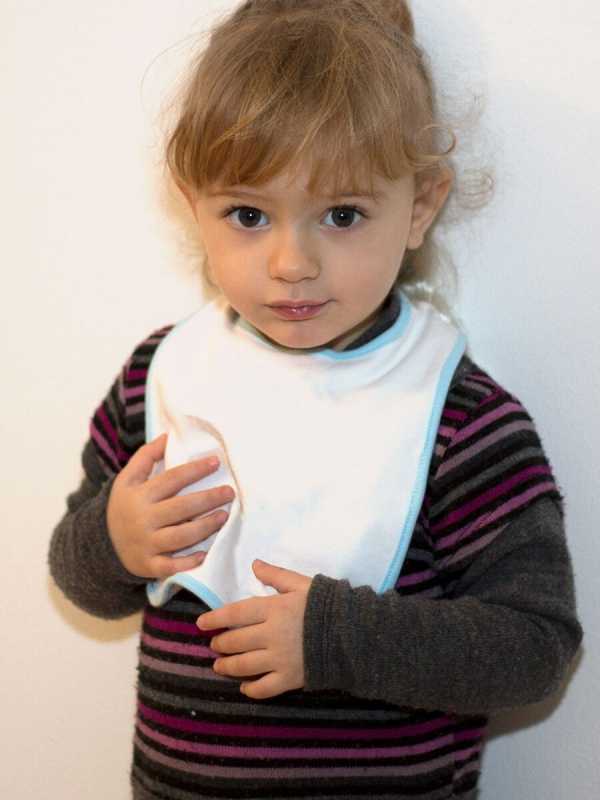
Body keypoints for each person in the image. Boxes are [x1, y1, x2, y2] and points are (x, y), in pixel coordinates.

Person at [48, 1, 583, 798]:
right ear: (194, 204)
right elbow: (78, 573)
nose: (291, 262)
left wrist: (339, 640)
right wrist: (114, 542)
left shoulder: (461, 420)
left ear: (421, 206)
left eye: (341, 215)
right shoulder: (160, 377)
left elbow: (535, 648)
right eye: (249, 214)